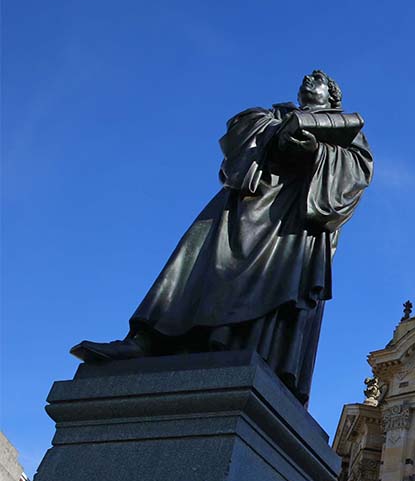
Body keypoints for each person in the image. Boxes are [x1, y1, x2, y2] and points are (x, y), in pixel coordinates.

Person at [71, 70, 373, 405]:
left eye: (316, 79)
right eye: (304, 78)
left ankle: (250, 352)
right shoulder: (270, 115)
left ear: (332, 94)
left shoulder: (346, 130)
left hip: (292, 219)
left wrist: (315, 151)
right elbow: (239, 140)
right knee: (191, 264)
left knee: (274, 282)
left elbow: (356, 173)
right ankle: (149, 339)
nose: (307, 81)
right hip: (244, 202)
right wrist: (278, 133)